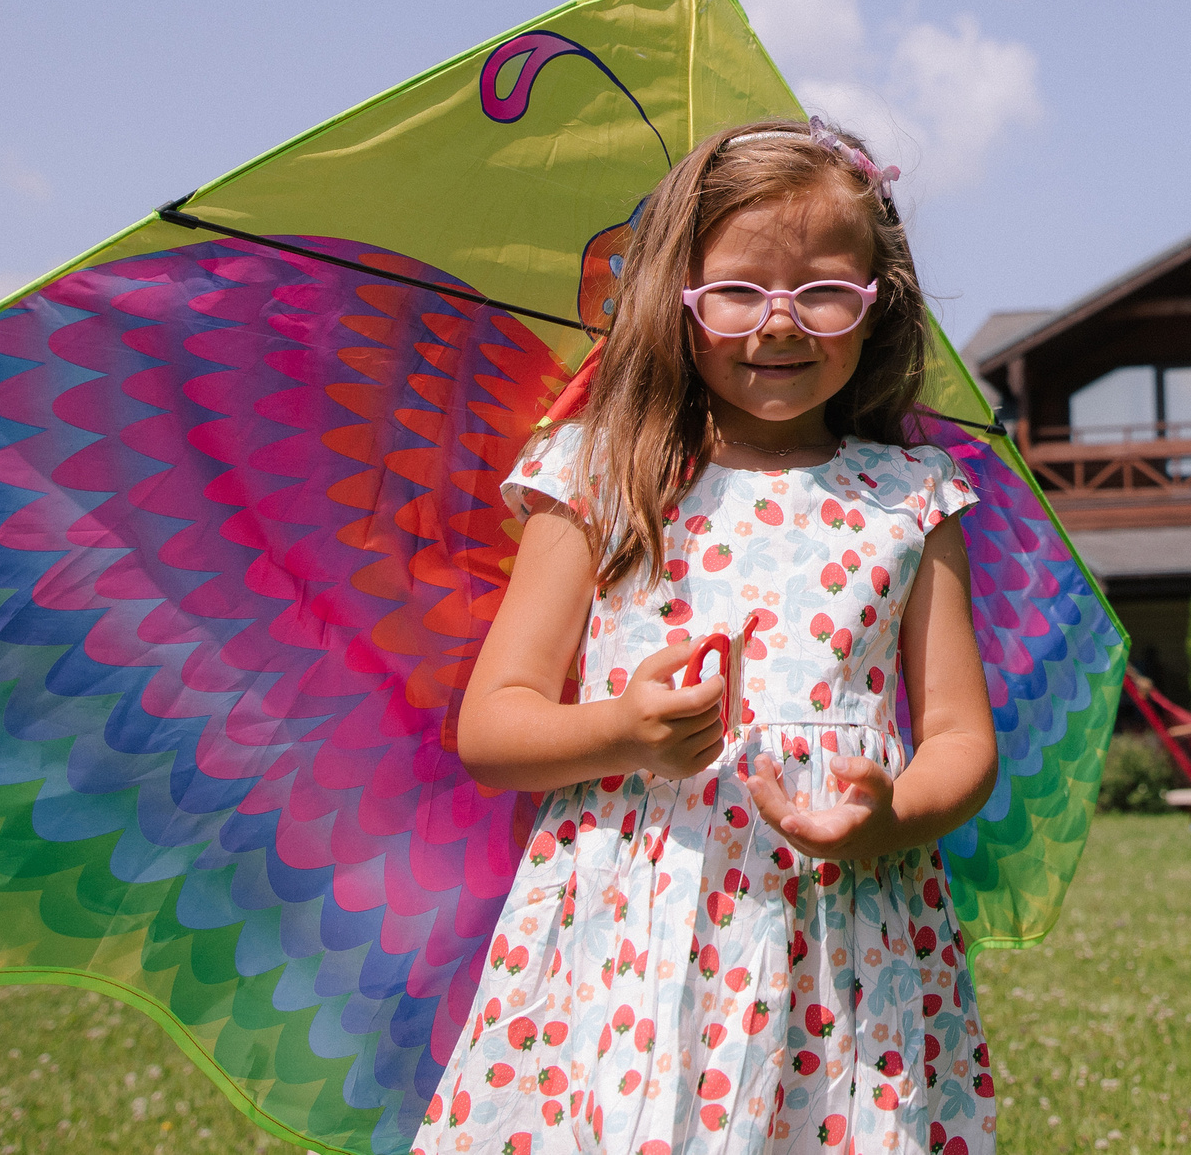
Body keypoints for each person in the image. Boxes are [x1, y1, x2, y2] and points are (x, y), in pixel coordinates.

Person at [416, 118, 1000, 1155]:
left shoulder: (913, 500)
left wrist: (890, 814)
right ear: (674, 301)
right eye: (736, 290)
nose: (779, 324)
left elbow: (958, 736)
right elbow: (493, 726)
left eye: (822, 291)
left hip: (838, 934)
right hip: (631, 927)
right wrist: (625, 732)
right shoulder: (598, 475)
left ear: (877, 306)